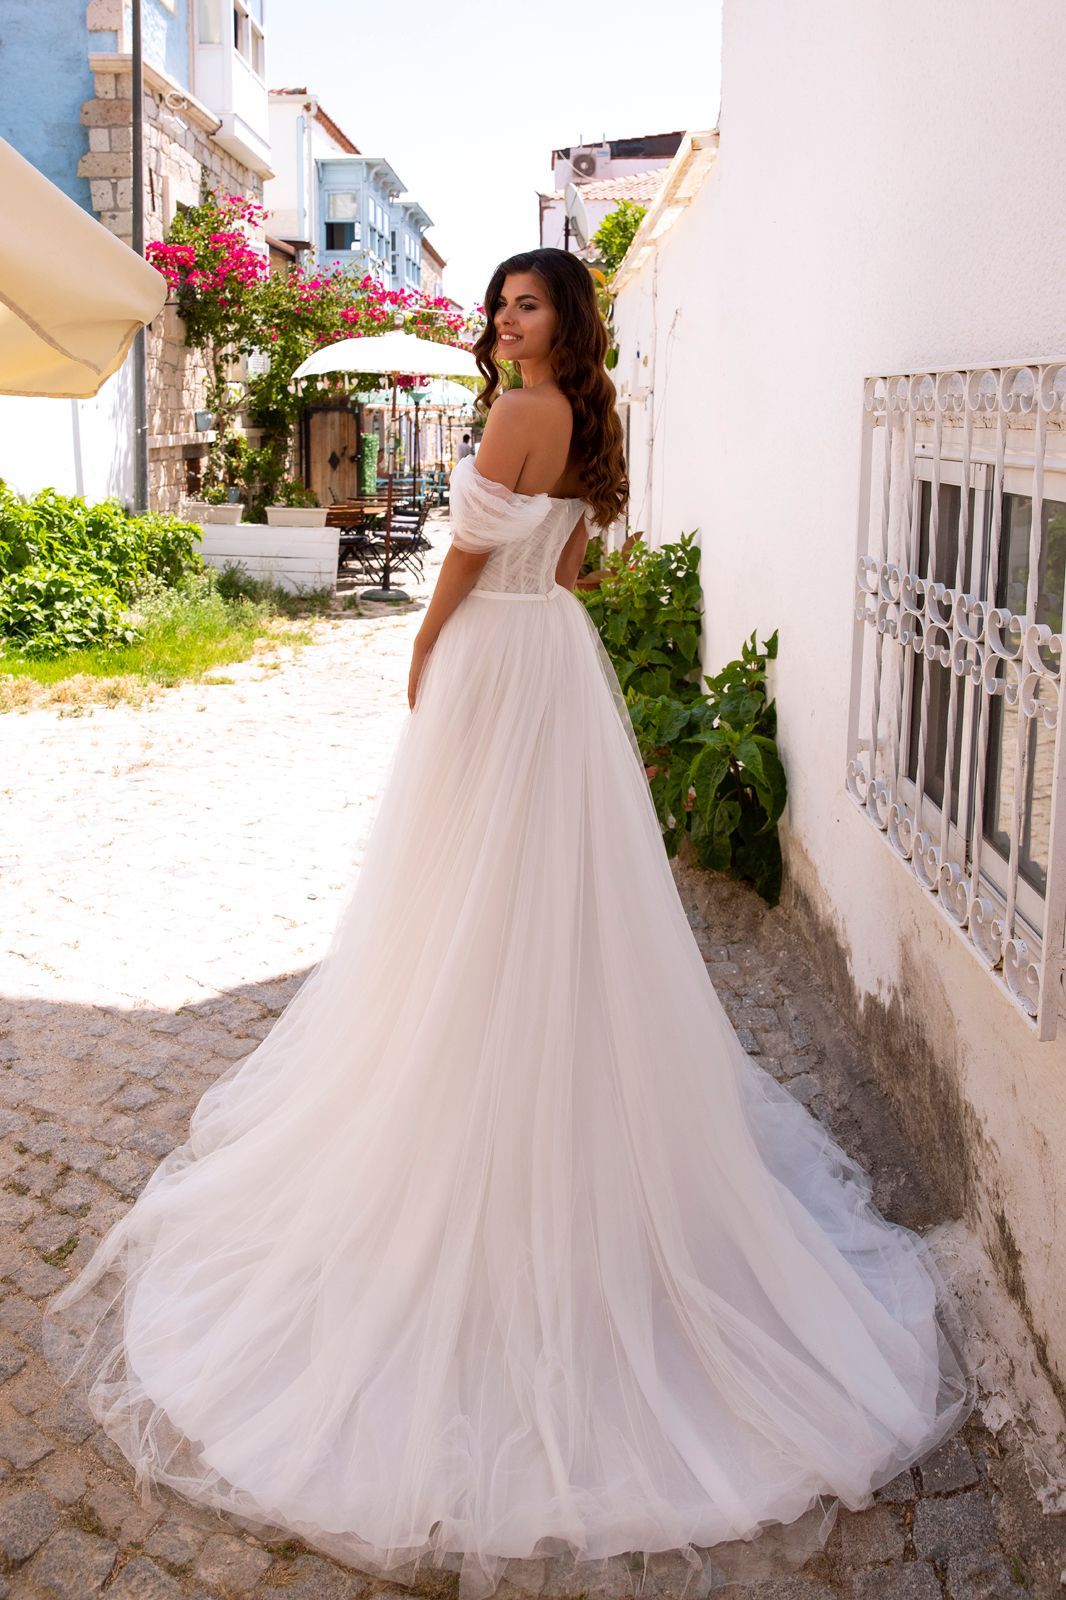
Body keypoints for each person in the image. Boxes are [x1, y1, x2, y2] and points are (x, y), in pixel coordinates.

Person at [42, 247, 975, 1600]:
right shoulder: (589, 418)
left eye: (524, 304)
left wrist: (426, 644)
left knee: (463, 882)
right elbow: (575, 566)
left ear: (564, 319)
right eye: (497, 303)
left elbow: (470, 559)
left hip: (496, 654)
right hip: (558, 663)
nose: (501, 319)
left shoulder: (520, 410)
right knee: (547, 883)